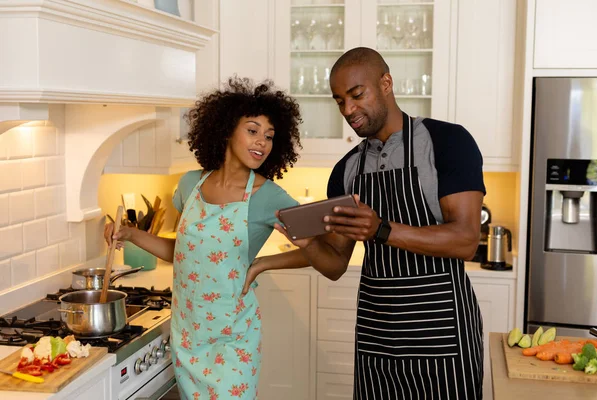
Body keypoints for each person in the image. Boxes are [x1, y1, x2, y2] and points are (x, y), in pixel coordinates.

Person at [271, 47, 486, 399]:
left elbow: (465, 240)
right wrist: (309, 244)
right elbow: (336, 264)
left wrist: (381, 229)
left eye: (357, 95)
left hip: (442, 334)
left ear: (386, 83)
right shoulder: (347, 169)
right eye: (340, 101)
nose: (348, 110)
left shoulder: (447, 142)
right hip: (377, 337)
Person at [104, 77, 307, 399]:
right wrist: (129, 233)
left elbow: (321, 252)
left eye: (269, 135)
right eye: (252, 130)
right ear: (226, 129)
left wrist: (262, 264)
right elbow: (181, 251)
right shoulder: (189, 185)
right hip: (188, 335)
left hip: (232, 341)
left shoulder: (269, 197)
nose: (262, 142)